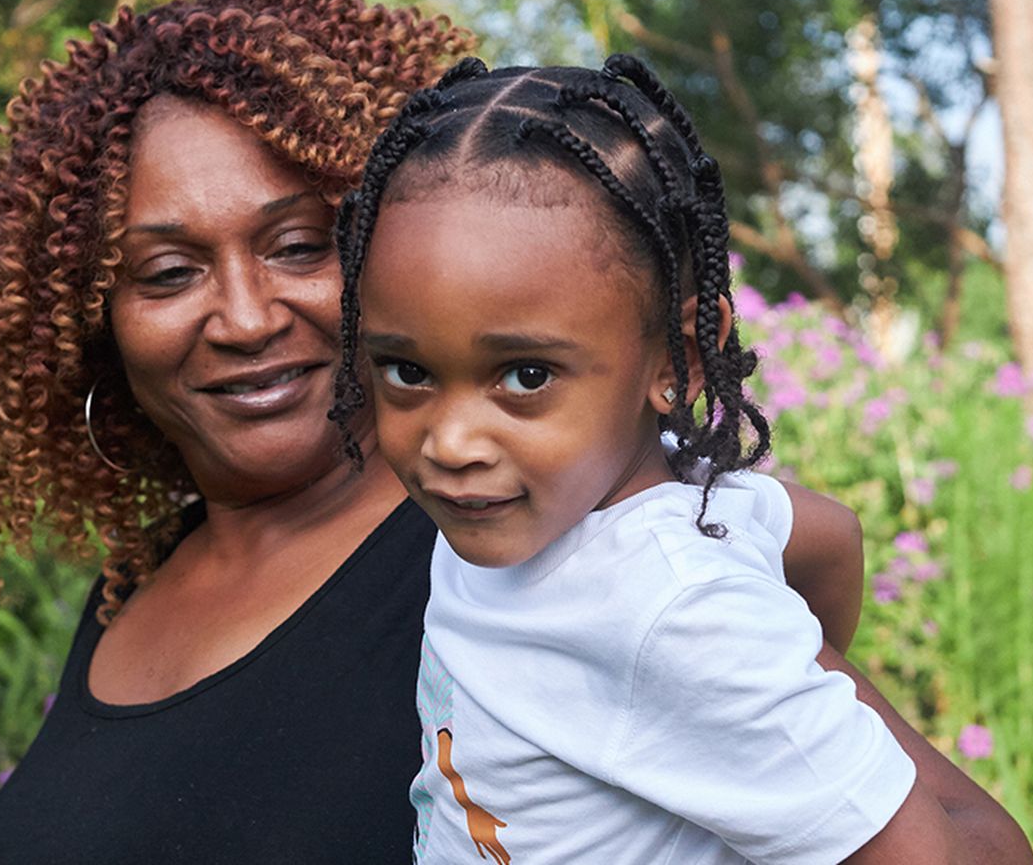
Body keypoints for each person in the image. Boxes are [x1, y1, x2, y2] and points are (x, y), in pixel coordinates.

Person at [0, 0, 1033, 861]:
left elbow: (966, 841)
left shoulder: (530, 540)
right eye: (166, 273)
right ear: (93, 322)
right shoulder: (136, 588)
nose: (246, 315)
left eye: (301, 245)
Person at [331, 54, 976, 863]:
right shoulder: (559, 510)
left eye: (526, 376)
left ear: (678, 360)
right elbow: (826, 532)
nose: (449, 444)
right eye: (408, 371)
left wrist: (771, 678)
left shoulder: (672, 613)